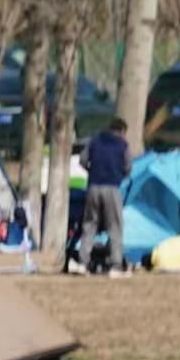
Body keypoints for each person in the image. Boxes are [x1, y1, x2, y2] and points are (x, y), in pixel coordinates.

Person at [80, 116, 132, 276]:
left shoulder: (94, 141)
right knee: (115, 226)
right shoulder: (123, 145)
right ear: (122, 131)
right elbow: (128, 167)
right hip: (112, 188)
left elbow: (82, 160)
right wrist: (119, 175)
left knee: (90, 225)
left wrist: (92, 171)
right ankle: (116, 265)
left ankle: (83, 262)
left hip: (93, 187)